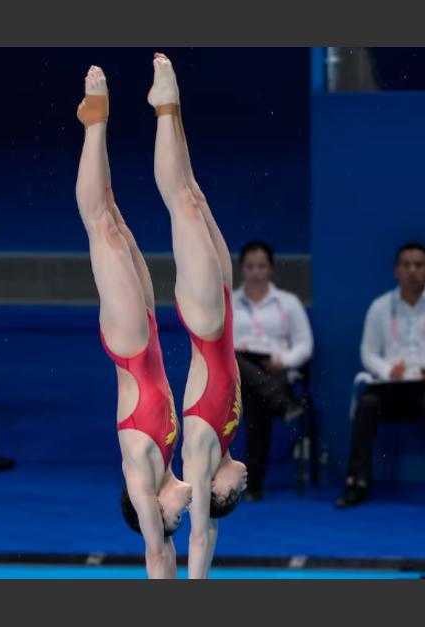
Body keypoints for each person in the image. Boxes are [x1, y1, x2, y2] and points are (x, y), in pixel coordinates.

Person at [75, 65, 191, 579]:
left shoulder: (144, 480)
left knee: (100, 227)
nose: (182, 517)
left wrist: (159, 541)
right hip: (147, 335)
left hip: (127, 344)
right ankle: (100, 124)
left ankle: (94, 122)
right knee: (116, 219)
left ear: (153, 515)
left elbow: (157, 555)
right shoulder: (168, 461)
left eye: (175, 521)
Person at [149, 52, 247, 579]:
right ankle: (173, 108)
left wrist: (197, 584)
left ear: (215, 490)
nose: (243, 489)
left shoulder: (202, 458)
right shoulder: (227, 439)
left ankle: (165, 105)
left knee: (181, 205)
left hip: (205, 322)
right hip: (222, 312)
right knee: (195, 195)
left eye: (234, 497)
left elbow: (202, 531)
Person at [335, 242, 425, 511]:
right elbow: (369, 352)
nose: (412, 271)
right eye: (406, 265)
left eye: (419, 265)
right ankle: (357, 483)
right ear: (396, 271)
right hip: (393, 385)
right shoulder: (380, 306)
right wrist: (386, 371)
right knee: (368, 404)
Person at [232, 240, 314, 502]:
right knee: (238, 361)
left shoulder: (287, 303)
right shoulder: (230, 303)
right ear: (242, 269)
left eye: (261, 266)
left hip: (276, 370)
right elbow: (219, 344)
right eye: (250, 266)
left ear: (271, 269)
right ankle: (282, 404)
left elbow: (305, 344)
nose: (256, 272)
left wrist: (284, 359)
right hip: (240, 374)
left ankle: (254, 484)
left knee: (258, 399)